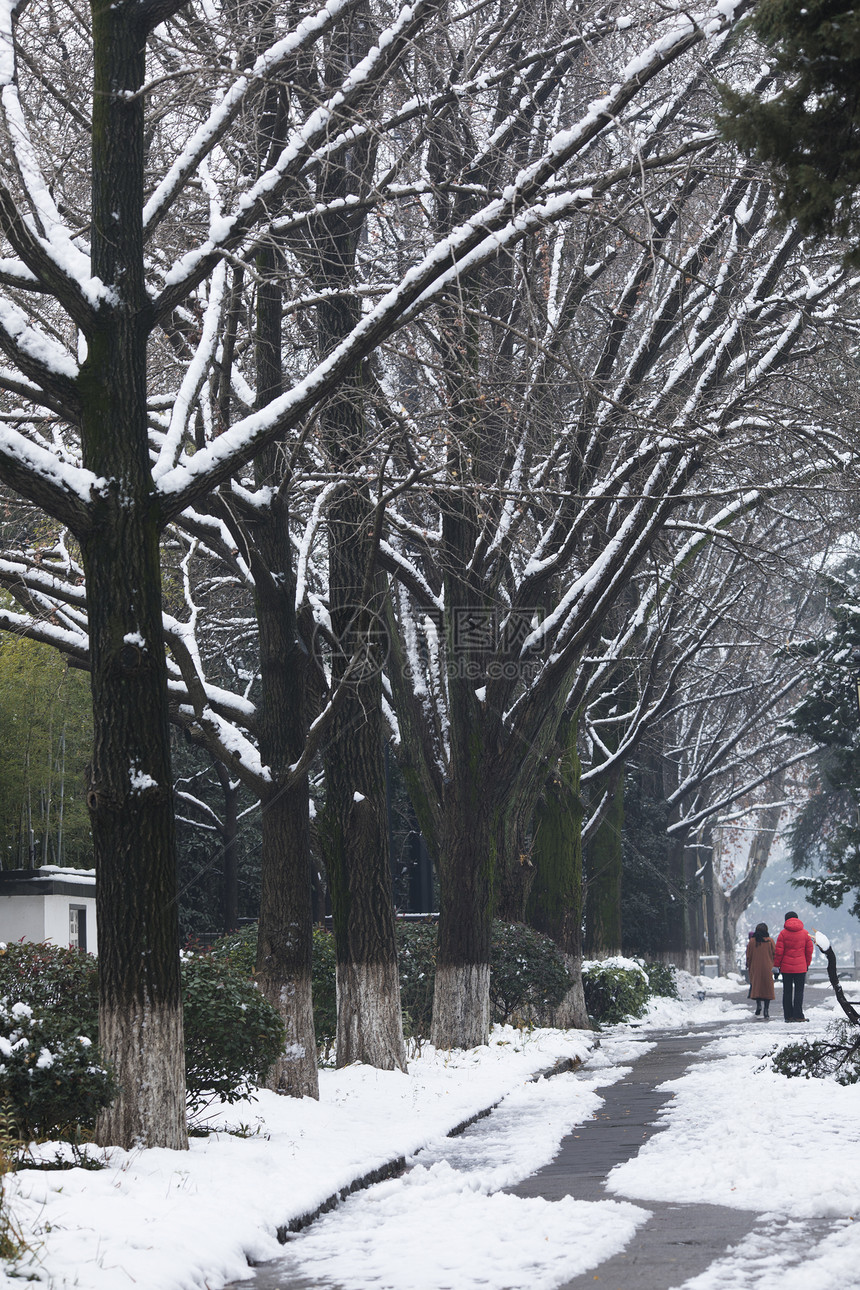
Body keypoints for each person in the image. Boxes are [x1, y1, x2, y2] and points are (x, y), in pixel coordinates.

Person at [774, 911, 814, 1023]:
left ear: (786, 920)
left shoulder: (782, 934)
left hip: (786, 968)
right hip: (800, 967)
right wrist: (807, 964)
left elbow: (778, 952)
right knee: (799, 992)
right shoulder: (805, 934)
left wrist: (776, 966)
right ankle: (798, 1015)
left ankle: (788, 1016)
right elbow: (809, 951)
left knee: (787, 992)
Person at [745, 922, 775, 1019]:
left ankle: (758, 1005)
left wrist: (748, 965)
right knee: (767, 988)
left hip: (755, 967)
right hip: (768, 967)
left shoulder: (752, 942)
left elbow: (748, 955)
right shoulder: (770, 941)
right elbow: (775, 954)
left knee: (757, 986)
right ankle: (766, 1009)